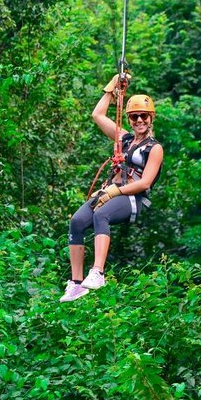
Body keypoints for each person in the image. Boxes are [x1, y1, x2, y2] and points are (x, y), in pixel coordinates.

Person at [60, 74, 164, 302]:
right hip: (111, 191)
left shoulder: (154, 148)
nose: (139, 120)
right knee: (77, 222)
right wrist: (111, 88)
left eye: (143, 116)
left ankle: (97, 272)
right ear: (129, 119)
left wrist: (115, 191)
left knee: (101, 214)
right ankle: (77, 283)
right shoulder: (124, 139)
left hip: (132, 197)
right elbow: (97, 115)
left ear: (151, 118)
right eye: (134, 116)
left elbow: (145, 182)